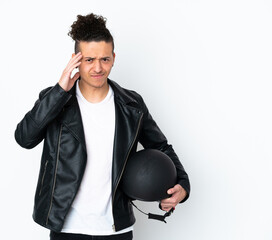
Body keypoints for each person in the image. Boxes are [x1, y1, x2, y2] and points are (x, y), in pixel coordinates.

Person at [15, 13, 190, 240]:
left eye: (104, 59)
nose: (98, 68)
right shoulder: (56, 100)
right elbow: (24, 138)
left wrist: (183, 186)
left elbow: (161, 146)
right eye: (89, 60)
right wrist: (60, 90)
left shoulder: (132, 105)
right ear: (75, 60)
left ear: (113, 58)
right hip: (67, 229)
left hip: (116, 229)